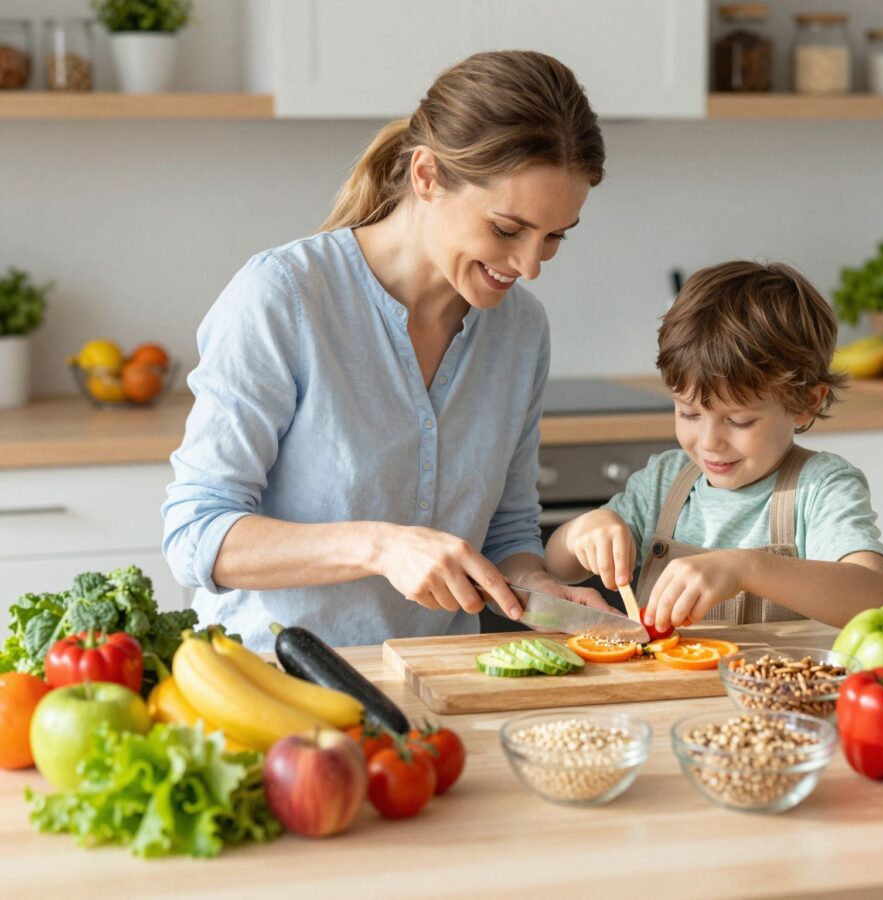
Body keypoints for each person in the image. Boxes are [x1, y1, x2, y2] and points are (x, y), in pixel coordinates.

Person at [163, 51, 609, 650]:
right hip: (271, 691)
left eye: (554, 236)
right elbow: (195, 535)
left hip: (433, 692)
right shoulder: (284, 297)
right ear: (425, 176)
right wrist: (381, 546)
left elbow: (508, 530)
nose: (529, 265)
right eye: (506, 229)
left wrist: (536, 587)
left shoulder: (521, 331)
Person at [545, 261, 883, 631]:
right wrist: (582, 531)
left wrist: (745, 568)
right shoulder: (664, 482)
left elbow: (877, 599)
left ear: (805, 403)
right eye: (689, 413)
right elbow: (558, 566)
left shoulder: (820, 488)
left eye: (739, 420)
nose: (709, 441)